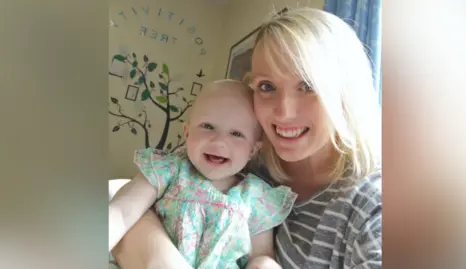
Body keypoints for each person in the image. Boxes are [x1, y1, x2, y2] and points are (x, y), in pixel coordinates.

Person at [112, 7, 382, 269]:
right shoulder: (231, 155)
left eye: (308, 86)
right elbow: (125, 206)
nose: (284, 112)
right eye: (267, 86)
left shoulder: (375, 208)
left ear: (347, 92)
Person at [109, 79, 298, 269]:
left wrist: (264, 264)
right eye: (207, 126)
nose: (219, 141)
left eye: (236, 134)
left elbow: (261, 254)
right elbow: (121, 212)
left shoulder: (257, 197)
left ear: (253, 150)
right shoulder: (167, 170)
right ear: (187, 132)